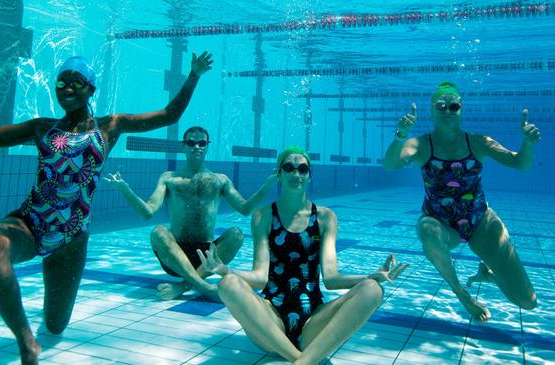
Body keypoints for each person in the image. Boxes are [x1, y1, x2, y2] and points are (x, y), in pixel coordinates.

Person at [0, 47, 213, 365]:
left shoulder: (110, 127)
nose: (66, 87)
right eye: (61, 82)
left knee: (55, 325)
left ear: (91, 89)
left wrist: (193, 75)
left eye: (76, 81)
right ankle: (26, 342)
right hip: (31, 224)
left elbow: (169, 116)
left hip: (72, 239)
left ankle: (43, 317)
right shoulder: (42, 127)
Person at [197, 146, 409, 364]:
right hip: (270, 322)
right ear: (278, 174)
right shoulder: (264, 216)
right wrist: (226, 270)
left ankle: (300, 361)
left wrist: (369, 276)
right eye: (288, 168)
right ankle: (303, 360)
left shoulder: (325, 218)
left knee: (373, 290)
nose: (295, 174)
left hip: (313, 322)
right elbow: (260, 278)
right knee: (228, 284)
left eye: (302, 169)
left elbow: (332, 279)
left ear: (309, 177)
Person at [383, 81, 540, 322]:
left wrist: (527, 145)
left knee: (527, 301)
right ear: (432, 110)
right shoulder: (420, 144)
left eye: (453, 106)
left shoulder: (478, 142)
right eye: (441, 106)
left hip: (479, 220)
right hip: (440, 223)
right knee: (426, 230)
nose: (447, 110)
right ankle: (462, 294)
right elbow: (391, 163)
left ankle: (488, 273)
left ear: (461, 109)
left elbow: (521, 163)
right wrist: (400, 137)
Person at [104, 126, 278, 300]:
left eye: (201, 143)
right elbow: (148, 211)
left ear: (207, 146)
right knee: (158, 231)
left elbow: (245, 208)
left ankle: (182, 286)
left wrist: (267, 185)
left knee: (237, 235)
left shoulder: (220, 180)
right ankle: (206, 288)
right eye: (191, 143)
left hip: (208, 257)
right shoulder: (169, 178)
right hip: (175, 254)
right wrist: (125, 189)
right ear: (184, 146)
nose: (196, 147)